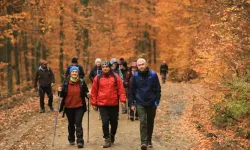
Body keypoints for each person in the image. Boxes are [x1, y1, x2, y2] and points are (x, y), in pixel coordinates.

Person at [91, 61, 126, 148]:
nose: (105, 68)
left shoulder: (115, 77)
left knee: (114, 122)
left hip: (113, 103)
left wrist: (122, 100)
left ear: (110, 67)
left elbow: (121, 90)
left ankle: (112, 135)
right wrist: (94, 103)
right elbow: (94, 91)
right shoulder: (97, 78)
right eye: (103, 67)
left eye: (106, 67)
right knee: (105, 122)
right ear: (101, 68)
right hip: (102, 104)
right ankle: (106, 138)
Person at [130, 58, 161, 150]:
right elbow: (131, 91)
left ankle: (149, 140)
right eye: (139, 65)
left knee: (150, 122)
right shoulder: (135, 77)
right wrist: (132, 103)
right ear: (137, 66)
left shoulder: (153, 75)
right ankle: (143, 142)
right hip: (140, 102)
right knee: (143, 121)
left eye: (142, 64)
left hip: (152, 102)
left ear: (146, 64)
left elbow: (158, 89)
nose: (141, 66)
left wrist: (157, 101)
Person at [58, 66, 89, 148]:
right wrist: (59, 91)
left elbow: (86, 92)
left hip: (80, 106)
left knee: (78, 123)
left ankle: (80, 141)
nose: (74, 73)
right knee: (71, 123)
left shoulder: (82, 82)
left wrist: (88, 95)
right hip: (69, 106)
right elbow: (61, 95)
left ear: (78, 73)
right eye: (73, 72)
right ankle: (71, 138)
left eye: (76, 72)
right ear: (70, 73)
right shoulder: (65, 82)